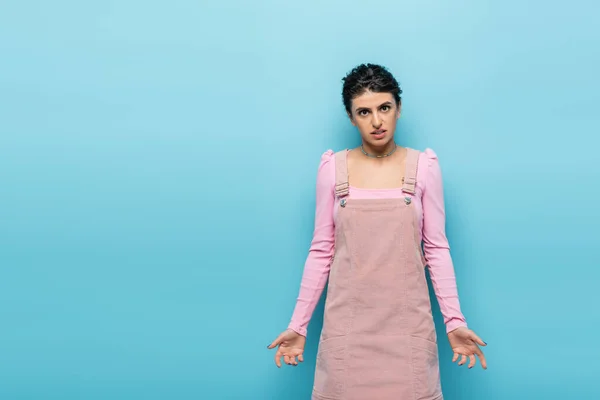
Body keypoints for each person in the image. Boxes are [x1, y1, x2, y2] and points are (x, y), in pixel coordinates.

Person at [267, 63, 487, 399]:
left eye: (384, 107)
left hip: (408, 331)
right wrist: (298, 326)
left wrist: (454, 322)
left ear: (399, 108)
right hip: (348, 331)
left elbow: (437, 250)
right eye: (364, 112)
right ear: (351, 118)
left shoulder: (424, 168)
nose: (376, 121)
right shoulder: (332, 169)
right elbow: (321, 251)